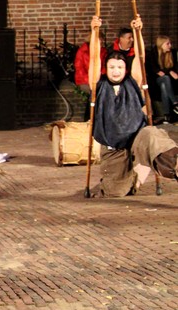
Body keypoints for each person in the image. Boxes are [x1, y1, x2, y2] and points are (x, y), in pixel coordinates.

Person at [91, 16, 177, 197]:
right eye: (112, 67)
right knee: (116, 192)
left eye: (120, 67)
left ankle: (174, 166)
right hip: (114, 147)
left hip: (138, 138)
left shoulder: (133, 82)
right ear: (107, 68)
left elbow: (140, 57)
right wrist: (94, 32)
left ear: (125, 69)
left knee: (153, 136)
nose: (116, 71)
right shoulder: (99, 86)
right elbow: (93, 59)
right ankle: (132, 180)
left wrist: (138, 32)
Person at [73, 28, 106, 121]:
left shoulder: (103, 51)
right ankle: (89, 118)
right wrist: (91, 81)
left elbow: (104, 66)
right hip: (85, 81)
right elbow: (79, 69)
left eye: (102, 39)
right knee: (94, 93)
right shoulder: (82, 51)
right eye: (99, 39)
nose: (101, 41)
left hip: (99, 79)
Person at [148, 35, 177, 122]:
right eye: (167, 44)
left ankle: (166, 115)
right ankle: (175, 103)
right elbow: (155, 71)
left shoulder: (173, 53)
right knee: (165, 78)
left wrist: (167, 72)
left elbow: (173, 69)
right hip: (155, 81)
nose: (170, 45)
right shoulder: (153, 54)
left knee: (164, 85)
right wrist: (169, 72)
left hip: (167, 82)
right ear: (161, 45)